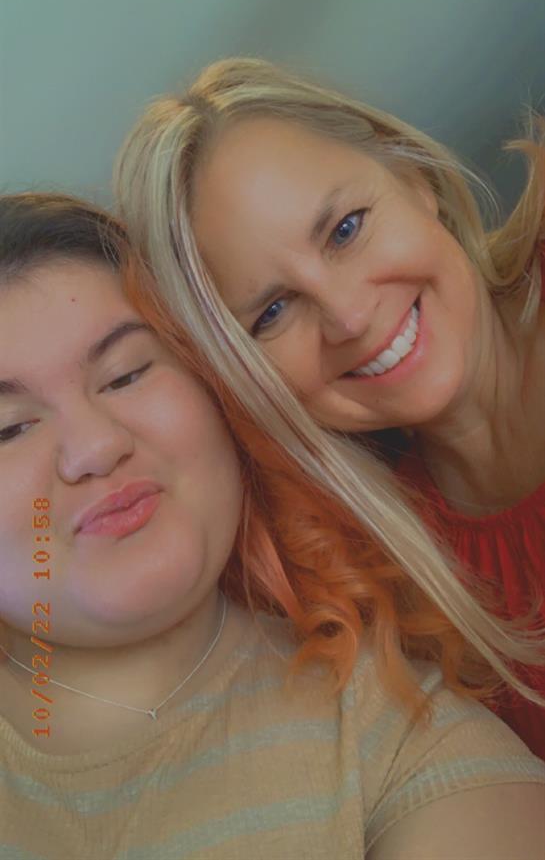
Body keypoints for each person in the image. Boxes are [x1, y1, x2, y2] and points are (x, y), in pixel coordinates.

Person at [0, 193, 544, 860]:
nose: (94, 447)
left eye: (127, 373)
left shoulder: (402, 736)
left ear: (221, 391)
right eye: (9, 428)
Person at [112, 56, 545, 760]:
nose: (346, 316)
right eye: (273, 311)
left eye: (345, 229)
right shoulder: (382, 585)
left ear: (412, 177)